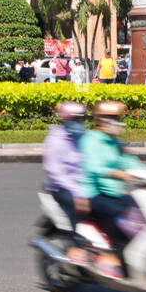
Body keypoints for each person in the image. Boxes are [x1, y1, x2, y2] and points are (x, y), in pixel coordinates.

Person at [79, 100, 146, 276]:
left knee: (141, 209)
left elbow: (128, 160)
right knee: (120, 214)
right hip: (92, 192)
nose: (115, 121)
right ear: (100, 119)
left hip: (113, 191)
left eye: (116, 117)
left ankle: (134, 254)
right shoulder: (91, 139)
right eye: (111, 117)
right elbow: (93, 166)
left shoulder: (113, 141)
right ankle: (112, 256)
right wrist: (116, 173)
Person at [42, 101, 91, 263]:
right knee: (75, 205)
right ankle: (76, 246)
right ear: (67, 119)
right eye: (76, 120)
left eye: (81, 120)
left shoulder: (83, 138)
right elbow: (54, 170)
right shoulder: (56, 139)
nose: (80, 123)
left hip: (83, 185)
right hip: (62, 187)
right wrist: (77, 192)